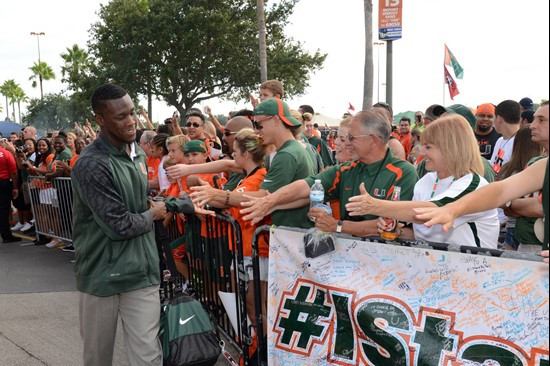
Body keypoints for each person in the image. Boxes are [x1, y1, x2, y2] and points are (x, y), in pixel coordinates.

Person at [72, 83, 166, 366]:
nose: (131, 121)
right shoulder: (91, 163)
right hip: (102, 277)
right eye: (121, 116)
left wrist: (147, 203)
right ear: (100, 120)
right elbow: (119, 225)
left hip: (142, 274)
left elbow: (133, 203)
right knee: (98, 359)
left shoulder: (135, 151)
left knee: (149, 358)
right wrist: (156, 213)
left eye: (132, 113)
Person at [242, 110, 418, 237]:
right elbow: (306, 185)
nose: (346, 143)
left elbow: (388, 225)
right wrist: (269, 201)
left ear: (373, 140)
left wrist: (338, 226)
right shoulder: (348, 169)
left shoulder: (403, 173)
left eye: (351, 138)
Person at [347, 115, 500, 248]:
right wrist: (398, 231)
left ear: (450, 149)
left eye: (428, 147)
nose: (421, 152)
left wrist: (374, 206)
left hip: (473, 275)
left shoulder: (472, 184)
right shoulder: (427, 180)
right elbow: (423, 236)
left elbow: (431, 211)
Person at [189, 129, 270, 334]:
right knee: (241, 302)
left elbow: (233, 200)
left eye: (235, 150)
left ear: (246, 154)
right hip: (240, 248)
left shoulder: (260, 177)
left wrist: (212, 195)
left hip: (257, 251)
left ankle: (264, 354)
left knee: (256, 305)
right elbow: (226, 199)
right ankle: (250, 346)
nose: (232, 154)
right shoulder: (246, 177)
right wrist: (200, 191)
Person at [497, 126, 543, 251]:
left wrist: (510, 204)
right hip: (528, 230)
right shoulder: (539, 167)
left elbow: (504, 204)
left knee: (510, 268)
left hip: (516, 227)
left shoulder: (508, 169)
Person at [490, 100, 521, 174]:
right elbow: (492, 165)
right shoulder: (500, 140)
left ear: (499, 119)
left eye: (493, 117)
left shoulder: (520, 142)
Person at [0, 139, 21, 243]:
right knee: (4, 210)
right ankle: (6, 235)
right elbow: (14, 172)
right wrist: (15, 187)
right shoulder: (6, 153)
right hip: (4, 183)